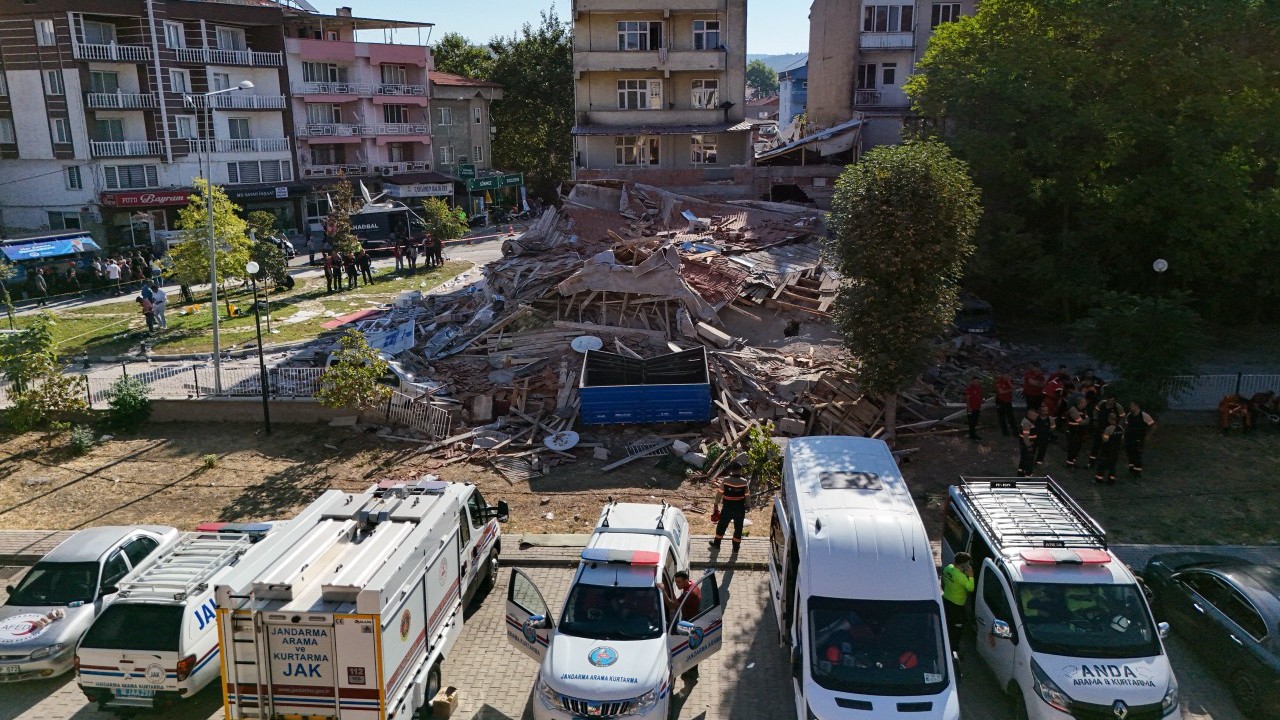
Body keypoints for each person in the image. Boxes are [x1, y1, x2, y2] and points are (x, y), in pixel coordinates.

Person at [661, 570, 703, 684]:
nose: (677, 585)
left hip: (689, 623)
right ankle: (692, 670)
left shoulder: (687, 594)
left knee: (687, 647)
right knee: (693, 646)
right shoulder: (693, 583)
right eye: (676, 582)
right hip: (695, 619)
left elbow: (671, 605)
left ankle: (690, 672)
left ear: (685, 580)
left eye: (679, 582)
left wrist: (663, 590)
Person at [941, 552, 974, 659]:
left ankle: (945, 642)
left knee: (948, 623)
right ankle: (953, 650)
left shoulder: (948, 568)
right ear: (963, 564)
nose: (968, 566)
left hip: (946, 600)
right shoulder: (961, 577)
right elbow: (970, 588)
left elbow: (943, 582)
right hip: (957, 606)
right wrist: (971, 576)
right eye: (967, 564)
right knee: (957, 629)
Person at [709, 475, 749, 552]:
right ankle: (736, 548)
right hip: (739, 508)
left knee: (722, 526)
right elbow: (747, 495)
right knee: (738, 528)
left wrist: (716, 504)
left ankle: (717, 544)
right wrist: (748, 505)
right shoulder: (744, 482)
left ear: (731, 470)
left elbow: (720, 493)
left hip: (727, 508)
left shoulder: (726, 480)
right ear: (740, 470)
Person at [1125, 401, 1156, 478]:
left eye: (1131, 406)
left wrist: (1148, 436)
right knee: (1130, 454)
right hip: (1129, 438)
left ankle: (1137, 472)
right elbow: (1126, 425)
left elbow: (1153, 426)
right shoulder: (1129, 415)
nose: (1130, 407)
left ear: (1136, 406)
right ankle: (1131, 469)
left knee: (1137, 455)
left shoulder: (1144, 415)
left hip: (1139, 438)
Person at [1088, 395, 1119, 466]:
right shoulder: (1102, 405)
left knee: (1105, 447)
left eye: (1112, 401)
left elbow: (1119, 419)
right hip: (1099, 428)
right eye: (1109, 400)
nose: (1110, 402)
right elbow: (1095, 411)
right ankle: (1091, 462)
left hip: (1108, 431)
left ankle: (1102, 463)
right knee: (1095, 446)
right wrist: (1095, 420)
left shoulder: (1116, 409)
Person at [1094, 412, 1123, 485]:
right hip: (1115, 450)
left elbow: (1105, 440)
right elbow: (1122, 439)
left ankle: (1098, 479)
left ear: (1110, 419)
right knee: (1112, 466)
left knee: (1102, 465)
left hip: (1107, 450)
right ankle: (1111, 480)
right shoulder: (1121, 428)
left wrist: (1103, 435)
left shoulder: (1108, 428)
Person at [1064, 395, 1091, 469]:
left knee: (1077, 448)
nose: (1086, 403)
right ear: (1080, 403)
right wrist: (1087, 420)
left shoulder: (1083, 410)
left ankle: (1073, 462)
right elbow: (1082, 422)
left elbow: (1084, 420)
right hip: (1073, 432)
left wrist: (1085, 420)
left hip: (1079, 432)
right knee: (1073, 448)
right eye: (1084, 402)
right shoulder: (1073, 410)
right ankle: (1069, 464)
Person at [1017, 407, 1038, 477]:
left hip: (1025, 445)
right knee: (1029, 461)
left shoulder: (1027, 421)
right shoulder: (1027, 423)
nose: (1036, 417)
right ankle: (1028, 475)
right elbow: (1026, 437)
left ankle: (1020, 473)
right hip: (1028, 445)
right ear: (1030, 415)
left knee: (1023, 459)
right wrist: (1029, 446)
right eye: (1034, 416)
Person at [994, 372, 1016, 437]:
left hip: (1008, 401)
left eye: (1008, 374)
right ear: (1003, 375)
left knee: (1011, 417)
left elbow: (1014, 388)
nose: (1007, 376)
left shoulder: (1010, 381)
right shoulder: (999, 381)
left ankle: (1015, 431)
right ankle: (1005, 432)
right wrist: (1010, 390)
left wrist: (1009, 382)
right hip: (1000, 401)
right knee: (1002, 417)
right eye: (1006, 374)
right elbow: (1001, 392)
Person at [965, 375, 983, 440]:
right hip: (971, 408)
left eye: (977, 381)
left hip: (977, 407)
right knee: (971, 422)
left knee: (975, 421)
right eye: (975, 381)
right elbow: (967, 398)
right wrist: (969, 407)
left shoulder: (979, 387)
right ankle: (972, 435)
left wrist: (982, 401)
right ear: (972, 382)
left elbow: (979, 396)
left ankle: (972, 434)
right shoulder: (970, 388)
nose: (976, 382)